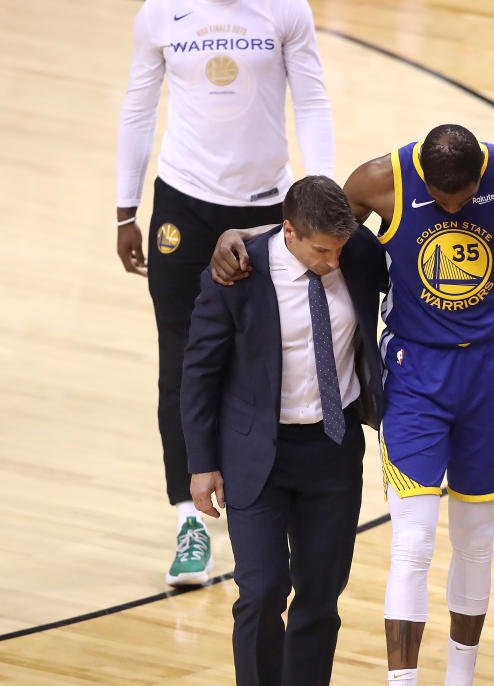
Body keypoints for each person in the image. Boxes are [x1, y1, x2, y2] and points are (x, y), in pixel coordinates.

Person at [211, 125, 494, 686]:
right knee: (412, 546)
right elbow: (312, 227)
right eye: (444, 199)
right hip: (418, 382)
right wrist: (239, 237)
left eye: (465, 198)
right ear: (424, 179)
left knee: (477, 544)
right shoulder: (379, 179)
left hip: (493, 378)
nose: (457, 210)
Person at [116, 0, 334, 586]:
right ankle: (188, 519)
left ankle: (262, 506)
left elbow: (311, 99)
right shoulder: (160, 13)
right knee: (182, 362)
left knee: (266, 357)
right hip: (182, 205)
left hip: (268, 206)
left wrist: (322, 200)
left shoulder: (287, 10)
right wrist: (124, 210)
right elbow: (139, 108)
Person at [181, 176, 387, 686]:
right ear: (288, 233)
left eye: (338, 250)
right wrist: (201, 463)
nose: (332, 262)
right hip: (256, 456)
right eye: (320, 252)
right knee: (262, 591)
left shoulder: (356, 253)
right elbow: (198, 369)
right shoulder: (237, 272)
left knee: (321, 597)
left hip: (331, 448)